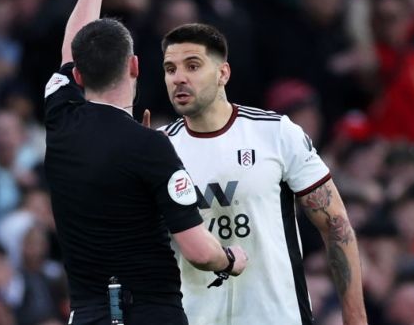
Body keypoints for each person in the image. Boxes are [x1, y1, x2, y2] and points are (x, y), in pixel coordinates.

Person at [42, 0, 247, 325]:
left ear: (78, 76)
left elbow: (71, 47)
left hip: (87, 315)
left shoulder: (59, 117)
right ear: (135, 66)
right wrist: (231, 260)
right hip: (149, 314)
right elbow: (198, 251)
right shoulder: (150, 147)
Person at [157, 23, 367, 324]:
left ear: (223, 73)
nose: (179, 78)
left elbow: (335, 224)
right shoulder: (158, 148)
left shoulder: (276, 133)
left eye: (193, 66)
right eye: (170, 69)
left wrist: (356, 318)